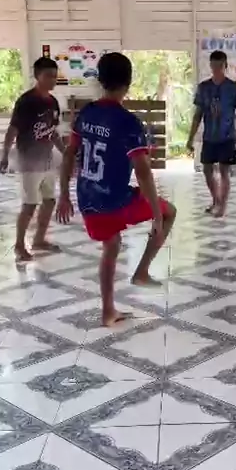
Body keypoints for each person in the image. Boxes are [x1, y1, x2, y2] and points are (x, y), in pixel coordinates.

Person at [56, 52, 176, 327]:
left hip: (87, 197)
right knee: (169, 213)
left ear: (100, 80)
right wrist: (156, 214)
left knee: (111, 244)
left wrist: (64, 194)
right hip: (114, 200)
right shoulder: (128, 122)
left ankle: (108, 310)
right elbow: (143, 172)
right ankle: (141, 272)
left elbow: (69, 154)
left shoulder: (86, 113)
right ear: (129, 82)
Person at [0, 56, 64, 262]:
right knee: (29, 205)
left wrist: (65, 153)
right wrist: (4, 155)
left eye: (55, 76)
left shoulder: (53, 102)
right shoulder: (27, 102)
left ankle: (39, 239)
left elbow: (53, 132)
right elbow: (13, 130)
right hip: (29, 161)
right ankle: (19, 245)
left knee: (49, 201)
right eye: (48, 76)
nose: (53, 80)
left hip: (47, 160)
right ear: (37, 76)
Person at [186, 50, 236, 217]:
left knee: (224, 171)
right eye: (213, 65)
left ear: (225, 66)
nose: (216, 69)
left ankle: (223, 206)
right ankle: (216, 199)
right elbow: (197, 115)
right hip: (209, 137)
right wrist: (190, 138)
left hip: (227, 136)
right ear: (210, 66)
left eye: (219, 66)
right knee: (207, 170)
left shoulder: (233, 88)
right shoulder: (203, 88)